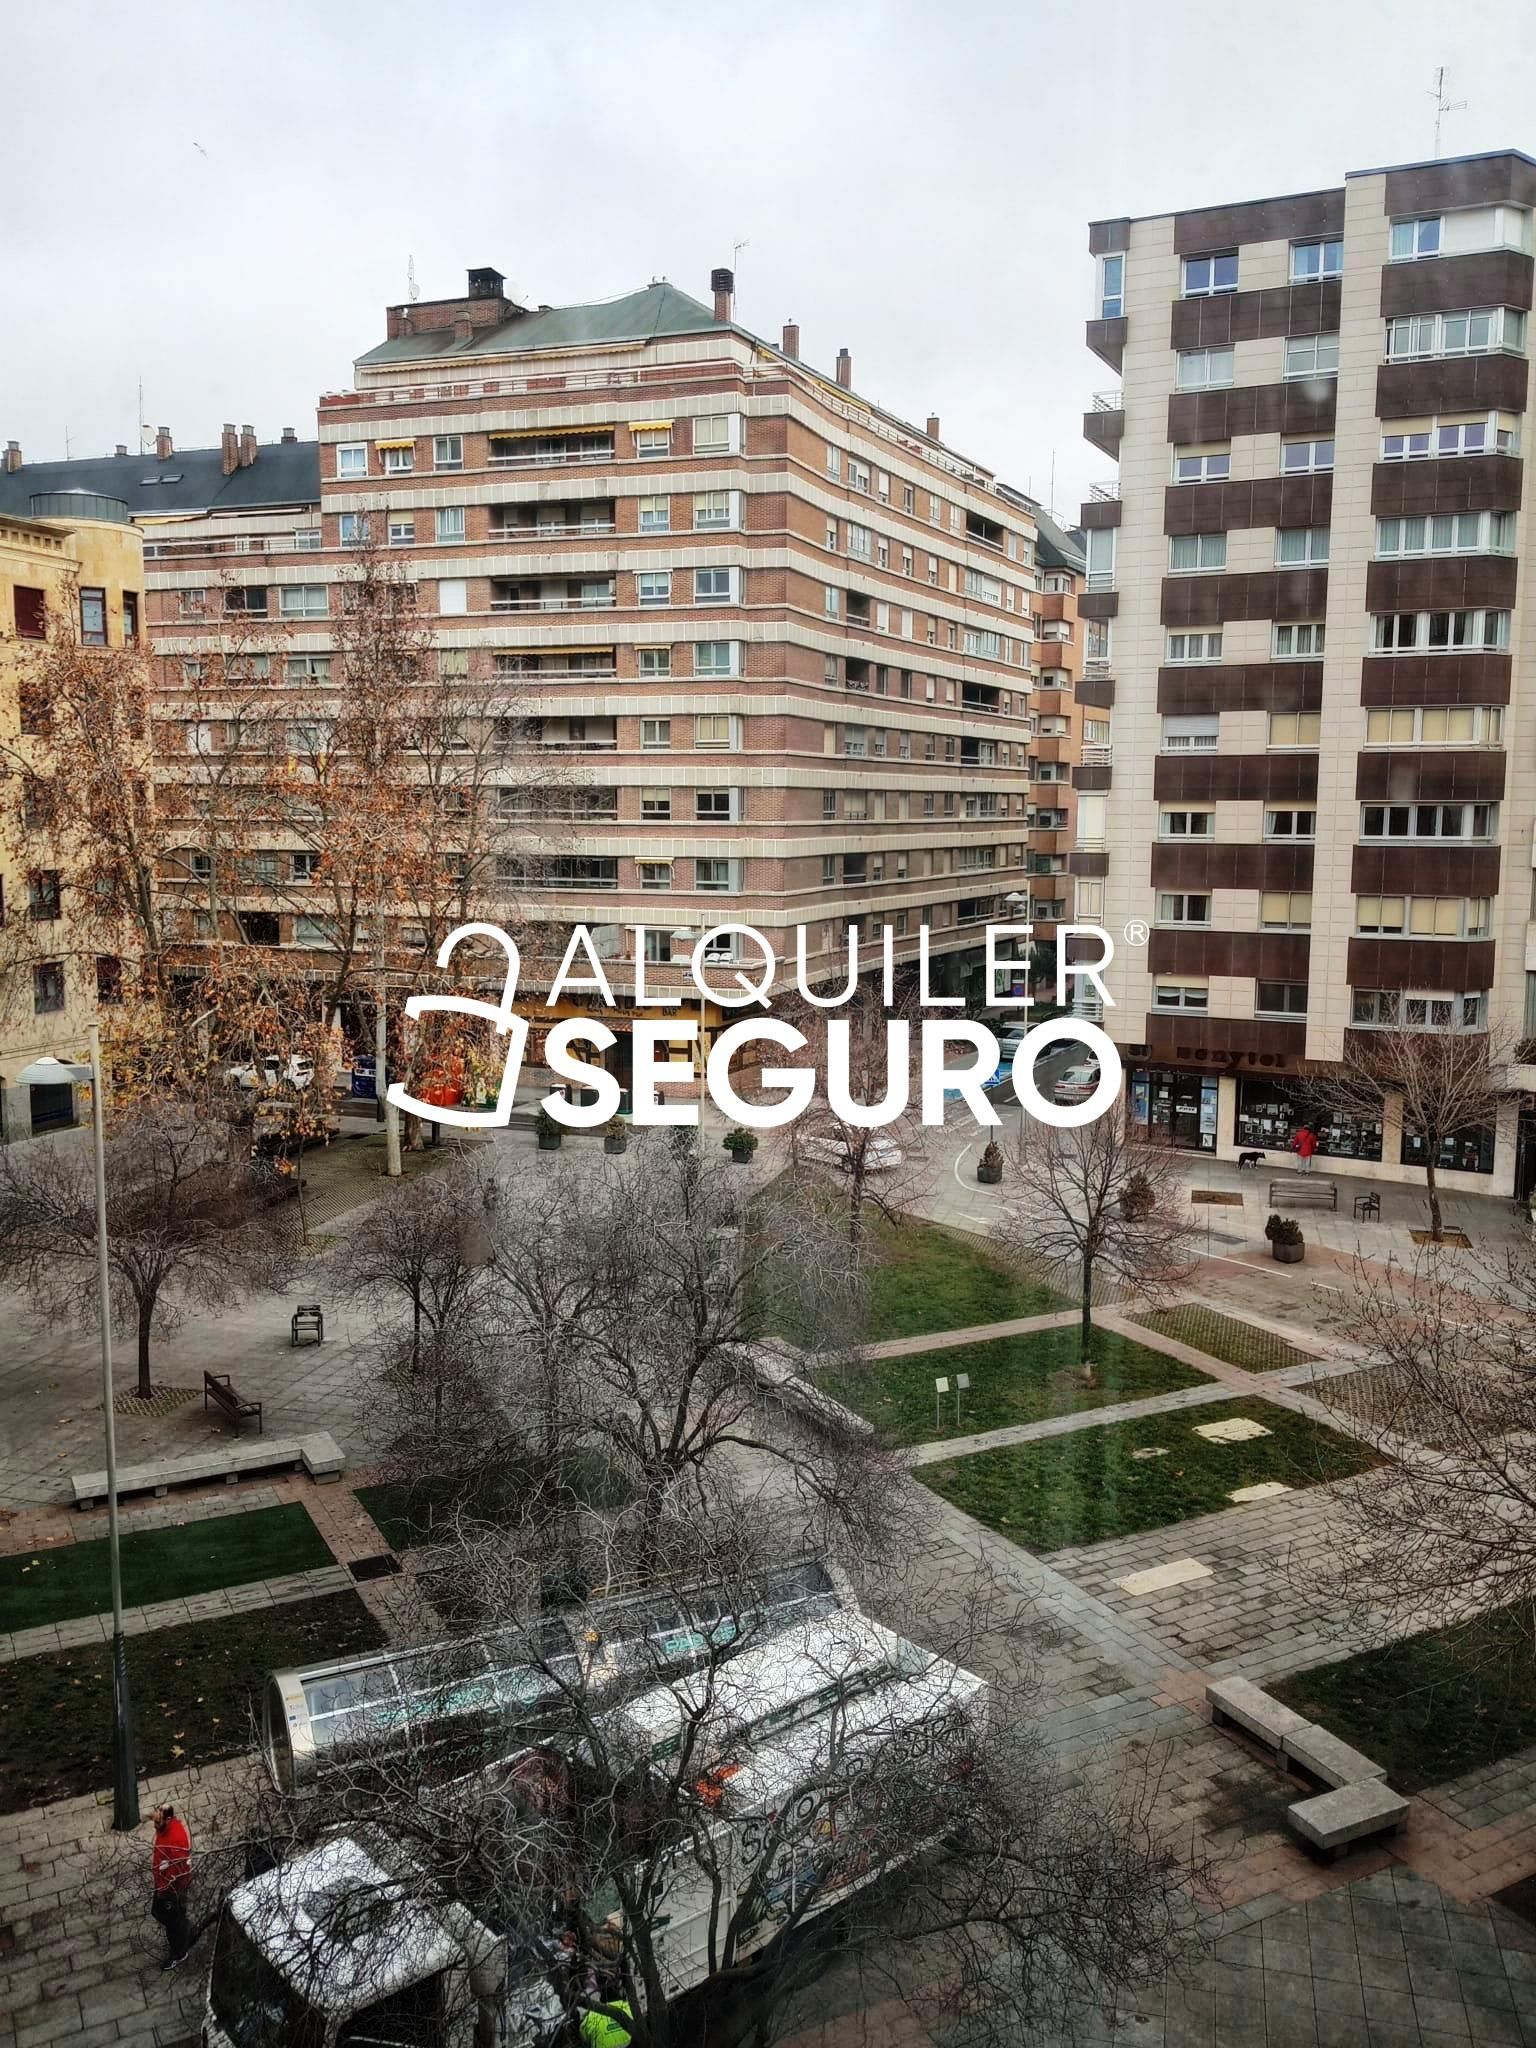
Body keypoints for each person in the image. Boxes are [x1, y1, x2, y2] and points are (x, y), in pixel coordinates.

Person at [149, 1802, 192, 1971]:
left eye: (158, 1822)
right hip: (164, 1883)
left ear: (167, 1819)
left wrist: (163, 1890)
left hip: (173, 1888)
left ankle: (179, 1953)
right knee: (163, 1914)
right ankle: (183, 1927)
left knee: (172, 1922)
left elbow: (176, 1872)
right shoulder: (165, 1829)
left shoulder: (176, 1839)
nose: (155, 1826)